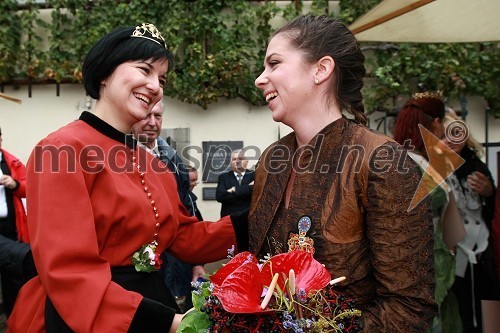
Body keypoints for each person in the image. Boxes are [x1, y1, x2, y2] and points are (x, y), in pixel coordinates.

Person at [7, 23, 247, 333]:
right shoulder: (61, 149)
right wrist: (168, 322)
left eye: (161, 78)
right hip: (89, 313)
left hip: (150, 301)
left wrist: (259, 214)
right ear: (105, 74)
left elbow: (184, 238)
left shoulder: (153, 165)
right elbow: (68, 269)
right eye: (144, 70)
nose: (155, 86)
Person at [250, 14, 436, 332]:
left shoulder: (381, 159)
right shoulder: (272, 159)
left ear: (321, 69)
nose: (260, 78)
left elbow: (410, 307)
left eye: (274, 63)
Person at [393, 92, 462, 333]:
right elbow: (423, 201)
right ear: (434, 123)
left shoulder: (417, 159)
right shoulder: (407, 162)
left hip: (436, 258)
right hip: (423, 265)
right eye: (442, 122)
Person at [131, 99, 205, 313]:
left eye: (158, 116)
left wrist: (197, 262)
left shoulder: (173, 158)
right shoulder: (120, 156)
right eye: (146, 115)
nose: (152, 122)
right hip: (139, 265)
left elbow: (188, 212)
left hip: (177, 259)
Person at [442, 114, 499, 333]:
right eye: (445, 136)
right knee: (459, 303)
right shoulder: (434, 168)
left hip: (482, 250)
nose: (451, 141)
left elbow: (492, 206)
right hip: (452, 250)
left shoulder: (477, 166)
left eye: (456, 134)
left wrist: (488, 192)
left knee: (487, 299)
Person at [0, 127, 34, 317]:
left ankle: (13, 317)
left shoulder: (11, 162)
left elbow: (30, 187)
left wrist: (15, 184)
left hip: (10, 227)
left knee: (12, 277)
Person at [216, 149, 254, 217]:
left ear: (247, 161)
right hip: (229, 218)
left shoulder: (254, 175)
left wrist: (234, 189)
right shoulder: (223, 177)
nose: (237, 161)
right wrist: (247, 189)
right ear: (230, 162)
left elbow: (255, 191)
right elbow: (220, 196)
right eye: (234, 159)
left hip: (249, 217)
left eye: (240, 159)